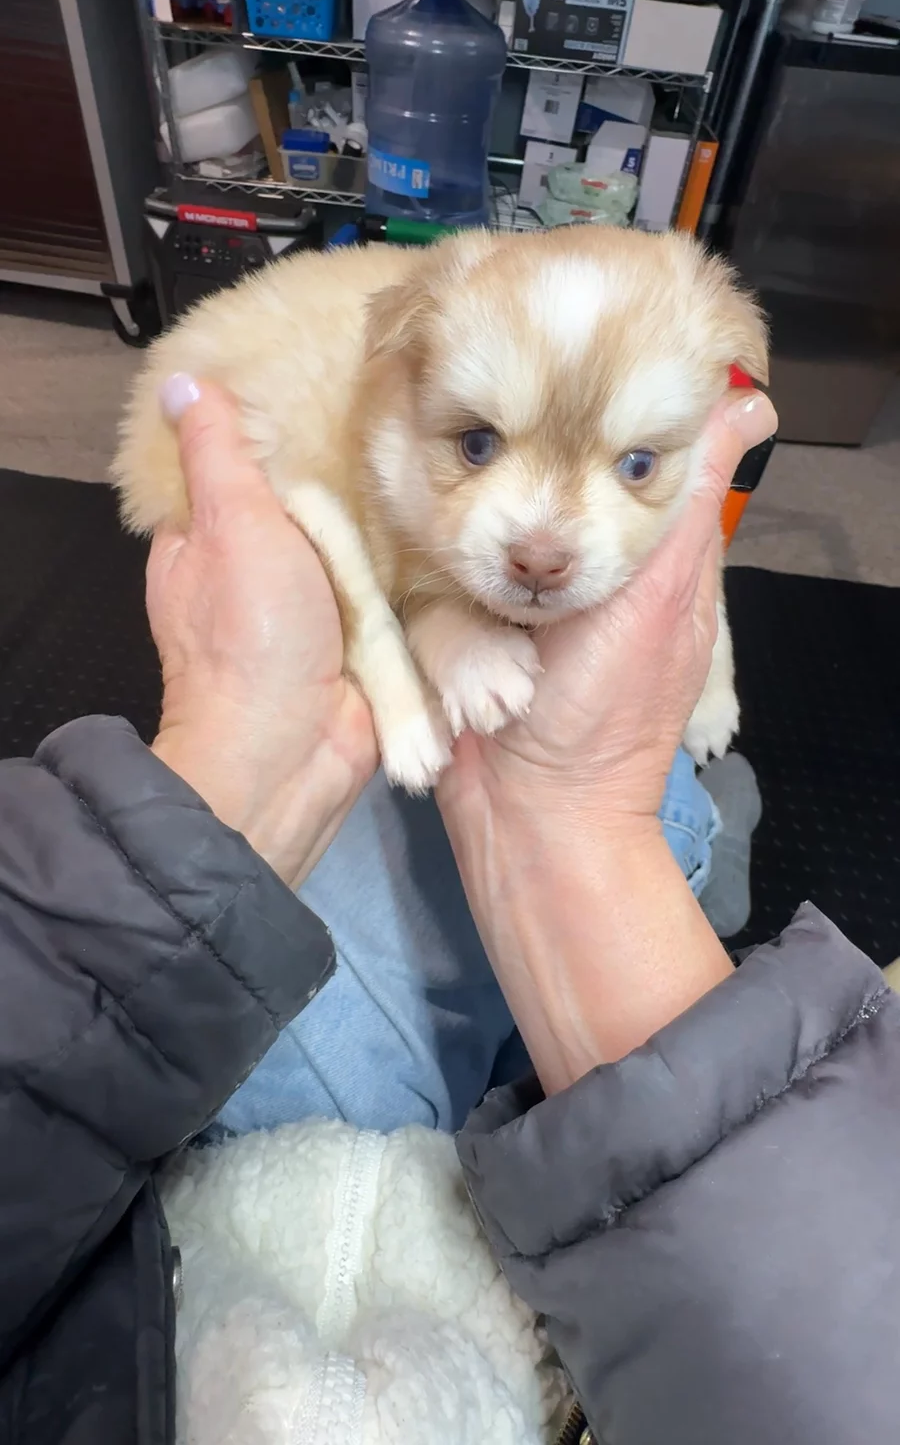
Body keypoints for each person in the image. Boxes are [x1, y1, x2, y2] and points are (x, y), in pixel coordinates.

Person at [1, 373, 897, 1445]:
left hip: (145, 1228)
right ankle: (698, 828)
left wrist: (244, 750)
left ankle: (695, 831)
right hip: (427, 1295)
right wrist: (574, 823)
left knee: (455, 787)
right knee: (610, 777)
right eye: (477, 444)